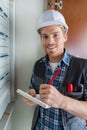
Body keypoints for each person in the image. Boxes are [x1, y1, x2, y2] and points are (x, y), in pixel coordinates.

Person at [24, 10, 87, 130]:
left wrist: (62, 101)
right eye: (45, 36)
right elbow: (33, 90)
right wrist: (32, 96)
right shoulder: (38, 65)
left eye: (55, 35)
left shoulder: (83, 67)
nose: (50, 41)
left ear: (65, 37)